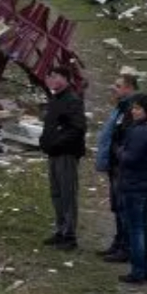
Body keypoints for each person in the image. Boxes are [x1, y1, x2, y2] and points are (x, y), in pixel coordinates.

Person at [117, 93, 147, 284]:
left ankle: (138, 271)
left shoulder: (139, 132)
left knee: (136, 229)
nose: (133, 111)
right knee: (146, 227)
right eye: (133, 108)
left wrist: (120, 152)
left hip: (135, 184)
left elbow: (130, 158)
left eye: (137, 108)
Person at [39, 65, 87, 251]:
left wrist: (58, 143)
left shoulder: (72, 100)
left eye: (55, 76)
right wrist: (45, 142)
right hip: (53, 153)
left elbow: (78, 128)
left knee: (67, 195)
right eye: (49, 76)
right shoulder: (55, 98)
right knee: (56, 194)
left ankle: (70, 235)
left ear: (65, 79)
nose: (51, 79)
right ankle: (60, 230)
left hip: (66, 154)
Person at [94, 73, 138, 261]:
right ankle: (119, 242)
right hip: (115, 165)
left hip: (123, 167)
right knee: (117, 206)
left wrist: (119, 154)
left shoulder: (132, 110)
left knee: (123, 207)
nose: (114, 88)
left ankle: (126, 248)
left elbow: (128, 139)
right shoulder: (121, 107)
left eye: (118, 86)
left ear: (129, 88)